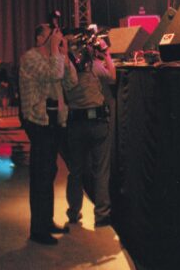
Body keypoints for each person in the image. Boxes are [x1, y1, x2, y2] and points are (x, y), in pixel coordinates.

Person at [19, 23, 78, 245]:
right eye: (50, 34)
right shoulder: (30, 58)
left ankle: (47, 221)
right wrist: (55, 51)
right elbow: (54, 73)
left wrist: (64, 55)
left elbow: (71, 82)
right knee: (41, 175)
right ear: (38, 38)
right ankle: (38, 229)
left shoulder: (56, 57)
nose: (56, 37)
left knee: (50, 171)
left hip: (54, 120)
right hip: (38, 120)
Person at [64, 34, 116, 229]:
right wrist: (106, 54)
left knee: (76, 171)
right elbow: (112, 77)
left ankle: (73, 212)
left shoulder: (65, 69)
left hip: (75, 123)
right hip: (97, 123)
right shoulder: (94, 66)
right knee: (101, 170)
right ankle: (102, 215)